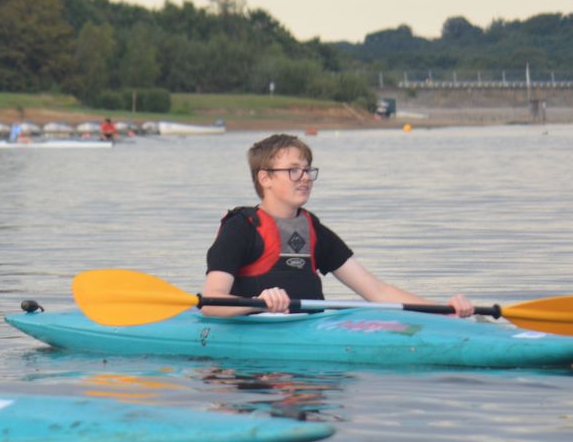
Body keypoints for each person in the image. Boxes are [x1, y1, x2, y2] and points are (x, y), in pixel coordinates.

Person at [202, 133, 474, 318]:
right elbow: (211, 302)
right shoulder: (240, 228)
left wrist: (443, 310)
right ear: (265, 178)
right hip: (255, 356)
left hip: (310, 332)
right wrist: (257, 303)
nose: (305, 178)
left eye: (308, 170)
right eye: (294, 170)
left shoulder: (313, 230)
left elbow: (377, 292)